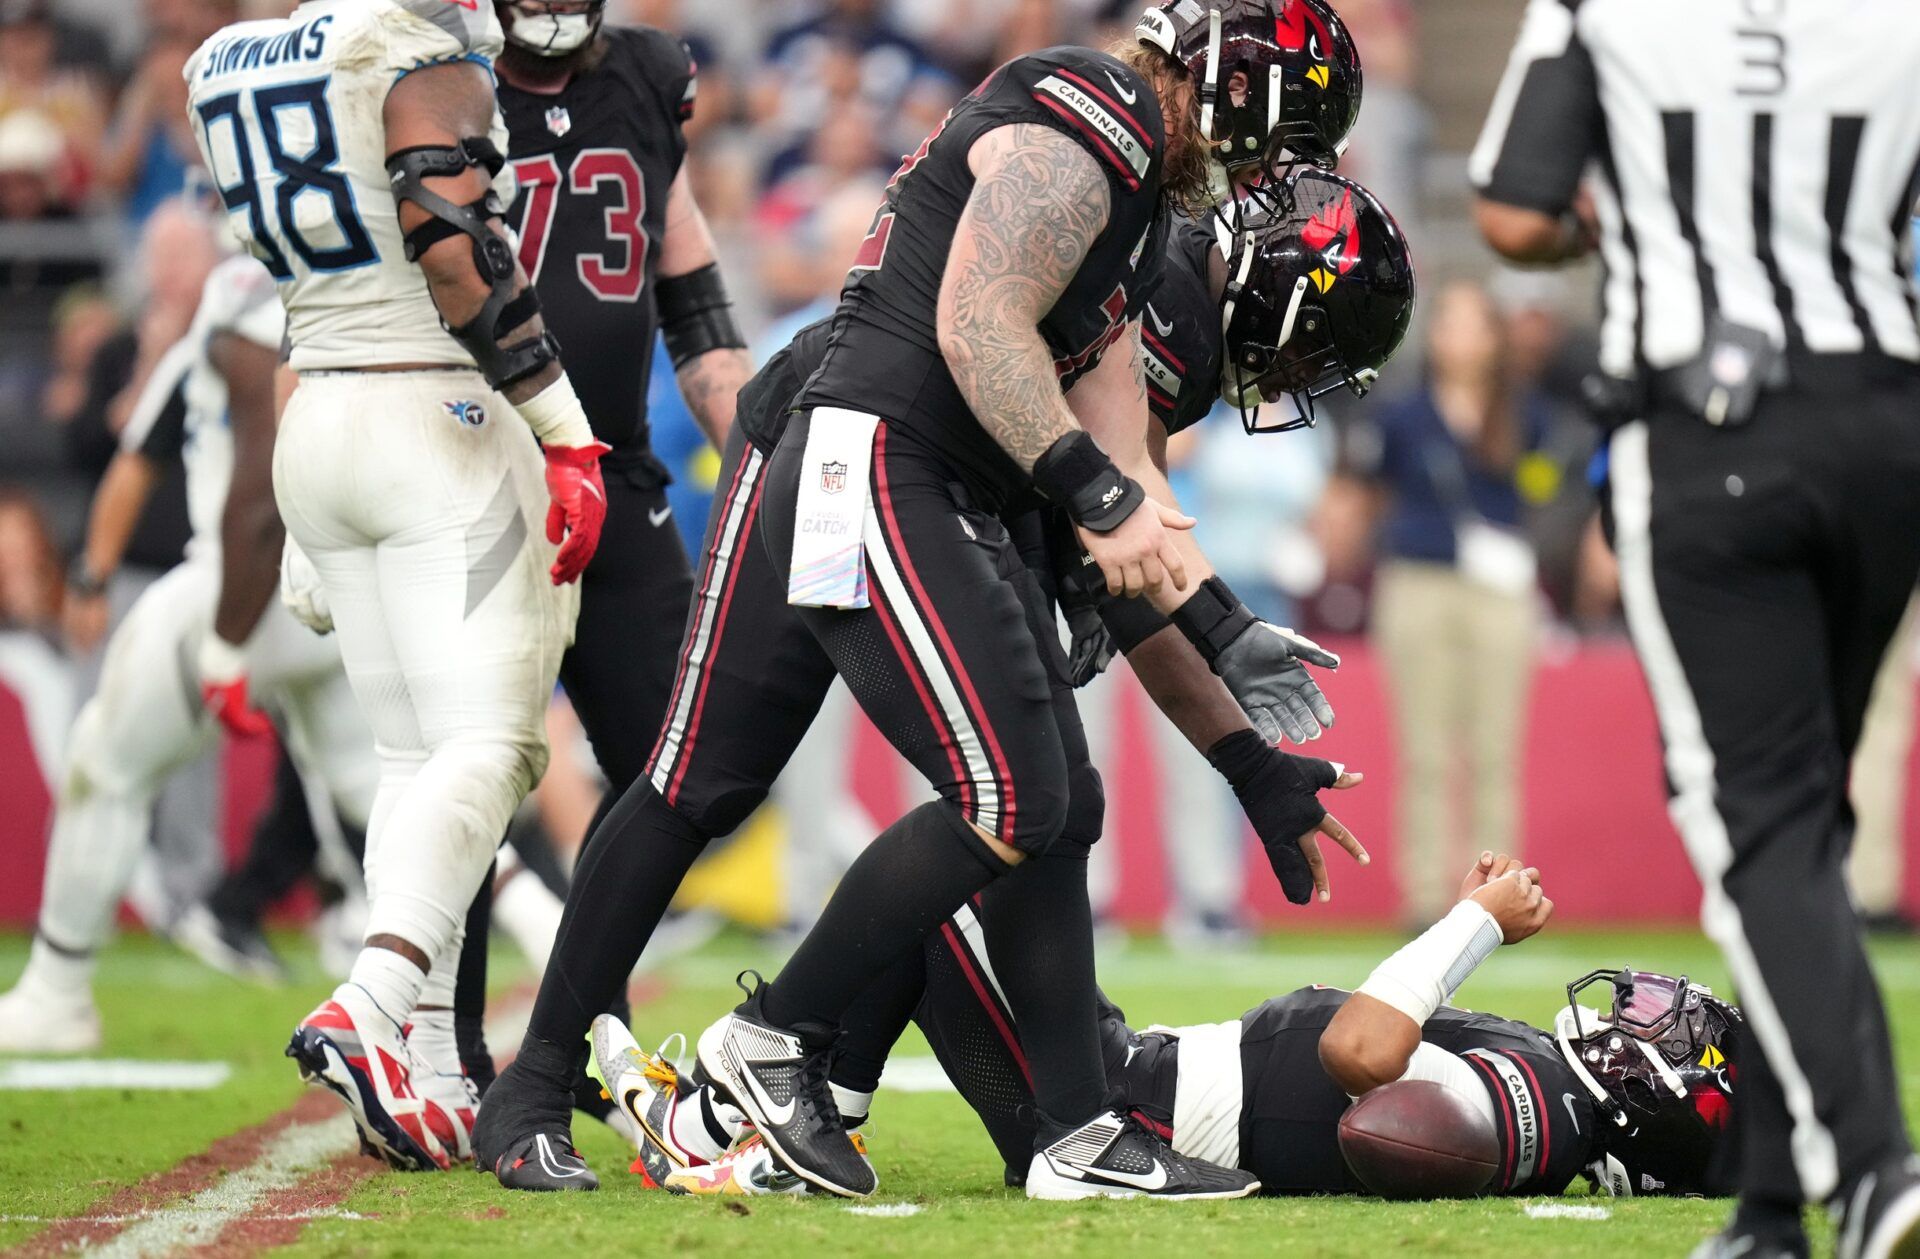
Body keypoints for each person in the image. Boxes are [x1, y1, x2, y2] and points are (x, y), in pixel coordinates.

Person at [471, 26, 1396, 1193]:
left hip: (917, 461)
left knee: (1041, 794)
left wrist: (1227, 655)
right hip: (867, 440)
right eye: (1284, 140)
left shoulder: (1147, 213)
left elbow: (1127, 499)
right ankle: (742, 1057)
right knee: (766, 779)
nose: (1267, 178)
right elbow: (981, 330)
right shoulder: (1097, 119)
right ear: (1236, 86)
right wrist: (1112, 523)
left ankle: (1052, 1124)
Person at [1473, 3, 1920, 1256]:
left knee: (1761, 820)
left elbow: (1511, 205)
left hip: (1712, 425)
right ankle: (1771, 1205)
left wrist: (1630, 224)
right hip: (1883, 420)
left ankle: (1874, 1167)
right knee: (1805, 821)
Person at [184, 0, 607, 1172]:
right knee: (494, 746)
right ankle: (373, 1001)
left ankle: (420, 1070)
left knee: (410, 758)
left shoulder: (226, 62)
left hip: (316, 413)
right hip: (433, 417)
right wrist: (564, 429)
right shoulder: (414, 58)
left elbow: (287, 289)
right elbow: (455, 253)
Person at [613, 854, 1739, 1204]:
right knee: (1002, 839)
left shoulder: (1541, 1111)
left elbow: (1369, 1086)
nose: (1650, 1004)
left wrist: (1468, 926)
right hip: (1128, 1078)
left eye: (1673, 1030)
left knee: (960, 861)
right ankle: (807, 1125)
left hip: (1114, 1105)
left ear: (1654, 1093)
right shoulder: (1552, 1091)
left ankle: (765, 1121)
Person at [0, 252, 378, 1057]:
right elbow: (139, 461)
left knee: (106, 764)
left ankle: (58, 988)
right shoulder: (361, 292)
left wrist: (221, 643)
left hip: (240, 586)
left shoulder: (243, 297)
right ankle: (447, 1006)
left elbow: (244, 481)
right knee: (389, 803)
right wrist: (96, 573)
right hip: (343, 595)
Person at [1355, 278, 1544, 924]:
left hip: (1499, 591)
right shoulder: (1402, 413)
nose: (1458, 339)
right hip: (1418, 582)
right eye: (1448, 325)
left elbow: (1548, 488)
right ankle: (1426, 893)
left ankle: (1499, 893)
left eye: (1472, 325)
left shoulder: (1527, 414)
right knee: (1426, 749)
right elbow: (1367, 490)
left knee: (1495, 747)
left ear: (1494, 339)